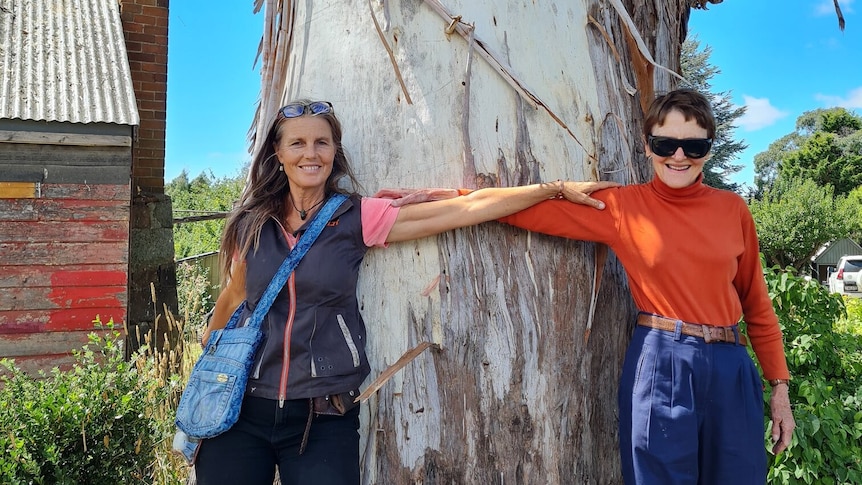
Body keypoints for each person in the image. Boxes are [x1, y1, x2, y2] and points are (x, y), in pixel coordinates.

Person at [193, 99, 619, 485]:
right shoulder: (253, 222)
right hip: (242, 410)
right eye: (298, 143)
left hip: (322, 416)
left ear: (334, 152)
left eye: (322, 143)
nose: (311, 153)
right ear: (278, 154)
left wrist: (550, 189)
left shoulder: (356, 216)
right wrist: (208, 368)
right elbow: (233, 297)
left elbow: (462, 210)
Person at [495, 88, 795, 484]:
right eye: (665, 143)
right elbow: (531, 210)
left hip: (732, 368)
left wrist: (780, 388)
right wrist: (445, 204)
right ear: (647, 144)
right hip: (662, 362)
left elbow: (756, 304)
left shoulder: (733, 209)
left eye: (694, 146)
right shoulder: (623, 207)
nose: (678, 156)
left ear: (709, 147)